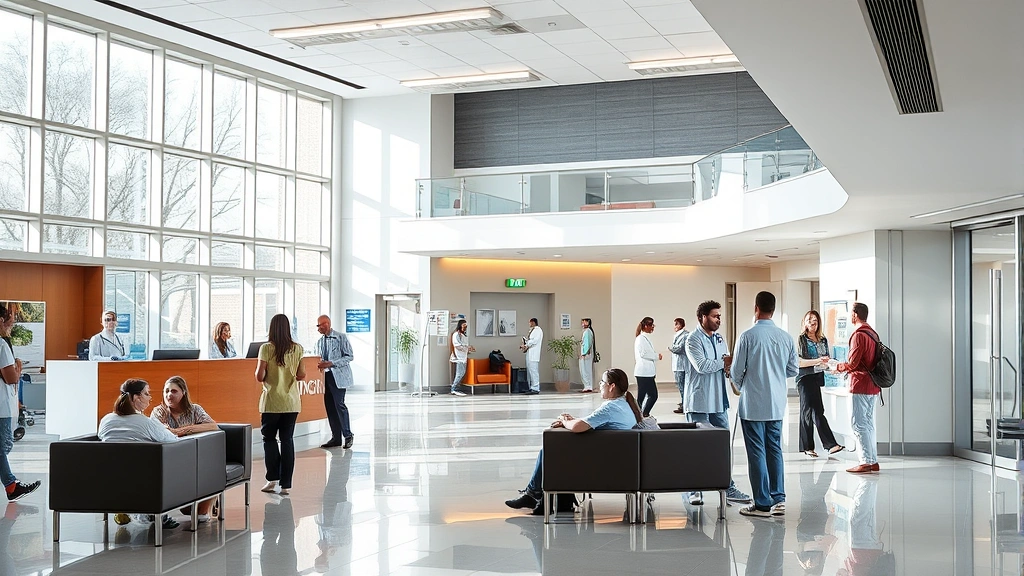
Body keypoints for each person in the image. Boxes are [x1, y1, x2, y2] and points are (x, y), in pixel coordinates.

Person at [504, 368, 643, 515]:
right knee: (553, 450)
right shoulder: (625, 404)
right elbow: (587, 423)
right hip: (619, 460)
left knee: (550, 451)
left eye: (602, 382)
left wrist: (565, 421)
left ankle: (532, 494)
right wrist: (570, 421)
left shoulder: (610, 408)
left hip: (603, 465)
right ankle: (535, 494)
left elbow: (578, 427)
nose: (600, 384)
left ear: (612, 386)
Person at [730, 291, 799, 518]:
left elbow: (736, 371)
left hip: (753, 404)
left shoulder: (748, 336)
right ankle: (778, 499)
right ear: (774, 309)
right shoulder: (786, 337)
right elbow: (793, 370)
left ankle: (761, 503)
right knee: (775, 449)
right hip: (776, 403)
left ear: (756, 307)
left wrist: (741, 384)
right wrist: (775, 376)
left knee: (757, 452)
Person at [685, 300, 751, 506]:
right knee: (698, 447)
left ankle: (727, 485)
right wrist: (725, 362)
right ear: (702, 317)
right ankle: (695, 489)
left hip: (719, 401)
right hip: (699, 401)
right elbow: (702, 365)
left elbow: (726, 361)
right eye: (715, 316)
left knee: (723, 447)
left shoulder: (719, 337)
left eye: (719, 316)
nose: (718, 320)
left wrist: (731, 367)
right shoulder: (692, 340)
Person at [98, 378, 181, 530]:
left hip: (109, 478)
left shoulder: (106, 420)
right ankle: (157, 514)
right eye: (147, 393)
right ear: (136, 398)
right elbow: (173, 441)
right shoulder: (146, 423)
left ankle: (126, 506)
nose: (150, 397)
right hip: (143, 479)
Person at [150, 376, 221, 523]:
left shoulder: (195, 409)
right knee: (186, 509)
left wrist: (183, 430)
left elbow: (213, 426)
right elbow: (160, 432)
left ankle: (205, 506)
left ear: (183, 392)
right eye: (166, 391)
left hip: (193, 456)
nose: (169, 395)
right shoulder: (159, 411)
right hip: (169, 458)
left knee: (212, 469)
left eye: (174, 391)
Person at [256, 314, 306, 495]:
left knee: (269, 439)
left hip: (271, 402)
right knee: (287, 440)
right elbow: (302, 375)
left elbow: (259, 376)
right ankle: (286, 485)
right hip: (291, 402)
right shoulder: (298, 349)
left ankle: (272, 479)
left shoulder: (266, 348)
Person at [835, 302, 881, 474]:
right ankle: (872, 460)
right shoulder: (873, 333)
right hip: (873, 385)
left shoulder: (858, 335)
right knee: (868, 424)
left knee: (858, 424)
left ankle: (865, 462)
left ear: (854, 315)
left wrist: (838, 367)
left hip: (859, 385)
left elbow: (853, 363)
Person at [0, 304, 39, 503]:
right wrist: (18, 367)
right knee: (3, 446)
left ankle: (11, 485)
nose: (11, 328)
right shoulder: (1, 345)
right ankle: (11, 486)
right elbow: (11, 378)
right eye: (10, 323)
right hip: (2, 407)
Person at [796, 310, 844, 458]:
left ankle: (825, 446)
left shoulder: (822, 340)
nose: (813, 323)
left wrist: (834, 366)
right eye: (810, 320)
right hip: (804, 378)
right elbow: (800, 362)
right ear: (804, 323)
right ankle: (814, 446)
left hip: (817, 378)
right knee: (808, 412)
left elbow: (827, 359)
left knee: (817, 411)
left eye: (815, 320)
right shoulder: (801, 339)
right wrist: (818, 361)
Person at [316, 315, 355, 448]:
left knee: (339, 405)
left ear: (326, 324)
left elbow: (349, 356)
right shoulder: (319, 342)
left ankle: (348, 435)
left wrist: (332, 363)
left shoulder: (340, 337)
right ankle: (336, 438)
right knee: (330, 408)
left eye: (319, 325)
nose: (318, 328)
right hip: (325, 378)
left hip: (338, 377)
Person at [633, 317, 661, 417]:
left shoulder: (644, 338)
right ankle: (642, 414)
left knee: (644, 396)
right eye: (651, 325)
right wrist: (657, 356)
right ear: (645, 326)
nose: (652, 327)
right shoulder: (640, 338)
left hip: (647, 372)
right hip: (644, 372)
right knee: (652, 395)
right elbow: (644, 353)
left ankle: (641, 414)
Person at [668, 317, 689, 414]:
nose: (674, 327)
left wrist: (671, 348)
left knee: (683, 386)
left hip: (682, 366)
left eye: (675, 324)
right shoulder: (677, 335)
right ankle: (683, 404)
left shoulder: (685, 335)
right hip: (677, 365)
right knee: (680, 386)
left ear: (680, 325)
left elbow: (680, 349)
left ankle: (685, 406)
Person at [449, 319, 475, 397]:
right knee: (459, 374)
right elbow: (457, 346)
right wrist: (467, 348)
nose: (465, 327)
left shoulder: (463, 335)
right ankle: (454, 389)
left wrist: (469, 348)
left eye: (466, 325)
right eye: (464, 325)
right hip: (458, 357)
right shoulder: (456, 334)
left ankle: (456, 388)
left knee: (462, 373)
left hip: (463, 357)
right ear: (460, 325)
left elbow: (464, 345)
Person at [520, 318, 543, 395]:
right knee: (530, 371)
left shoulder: (538, 330)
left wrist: (527, 344)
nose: (529, 324)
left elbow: (534, 341)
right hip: (529, 353)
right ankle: (531, 387)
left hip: (534, 354)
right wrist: (525, 343)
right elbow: (530, 340)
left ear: (533, 322)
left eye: (530, 323)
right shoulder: (532, 330)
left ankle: (536, 388)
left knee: (534, 371)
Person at [578, 318, 596, 393]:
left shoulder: (588, 332)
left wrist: (584, 353)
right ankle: (587, 386)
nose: (582, 324)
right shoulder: (586, 331)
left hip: (586, 355)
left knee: (586, 370)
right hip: (585, 354)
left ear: (588, 323)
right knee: (584, 370)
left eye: (584, 322)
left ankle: (588, 386)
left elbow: (588, 344)